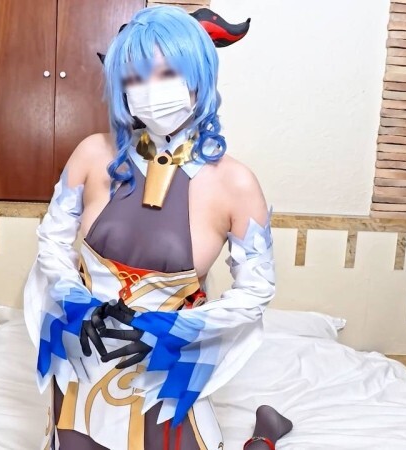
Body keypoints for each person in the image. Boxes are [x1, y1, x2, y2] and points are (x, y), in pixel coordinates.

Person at [24, 6, 291, 449]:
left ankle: (264, 435)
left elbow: (256, 290)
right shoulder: (92, 154)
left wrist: (171, 331)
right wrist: (76, 303)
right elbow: (52, 242)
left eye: (166, 73)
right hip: (84, 354)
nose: (150, 91)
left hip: (167, 364)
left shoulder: (236, 183)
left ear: (199, 75)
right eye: (134, 78)